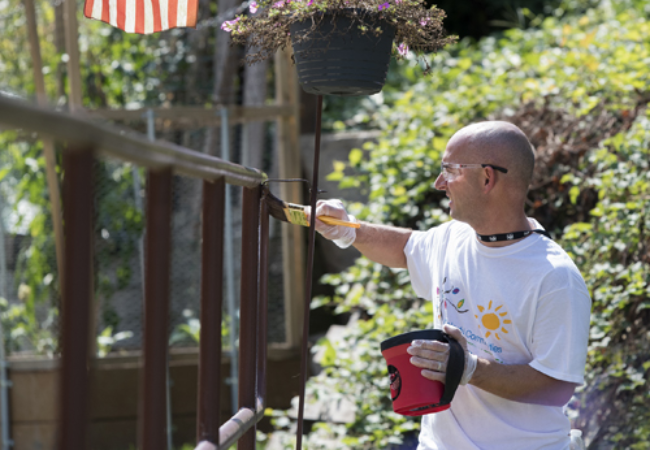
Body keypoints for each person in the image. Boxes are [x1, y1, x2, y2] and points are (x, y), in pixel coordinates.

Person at [308, 121, 592, 450]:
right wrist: (349, 229)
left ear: (487, 178)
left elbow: (557, 387)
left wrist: (467, 367)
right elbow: (405, 248)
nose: (438, 182)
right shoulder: (452, 238)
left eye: (450, 170)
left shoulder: (555, 277)